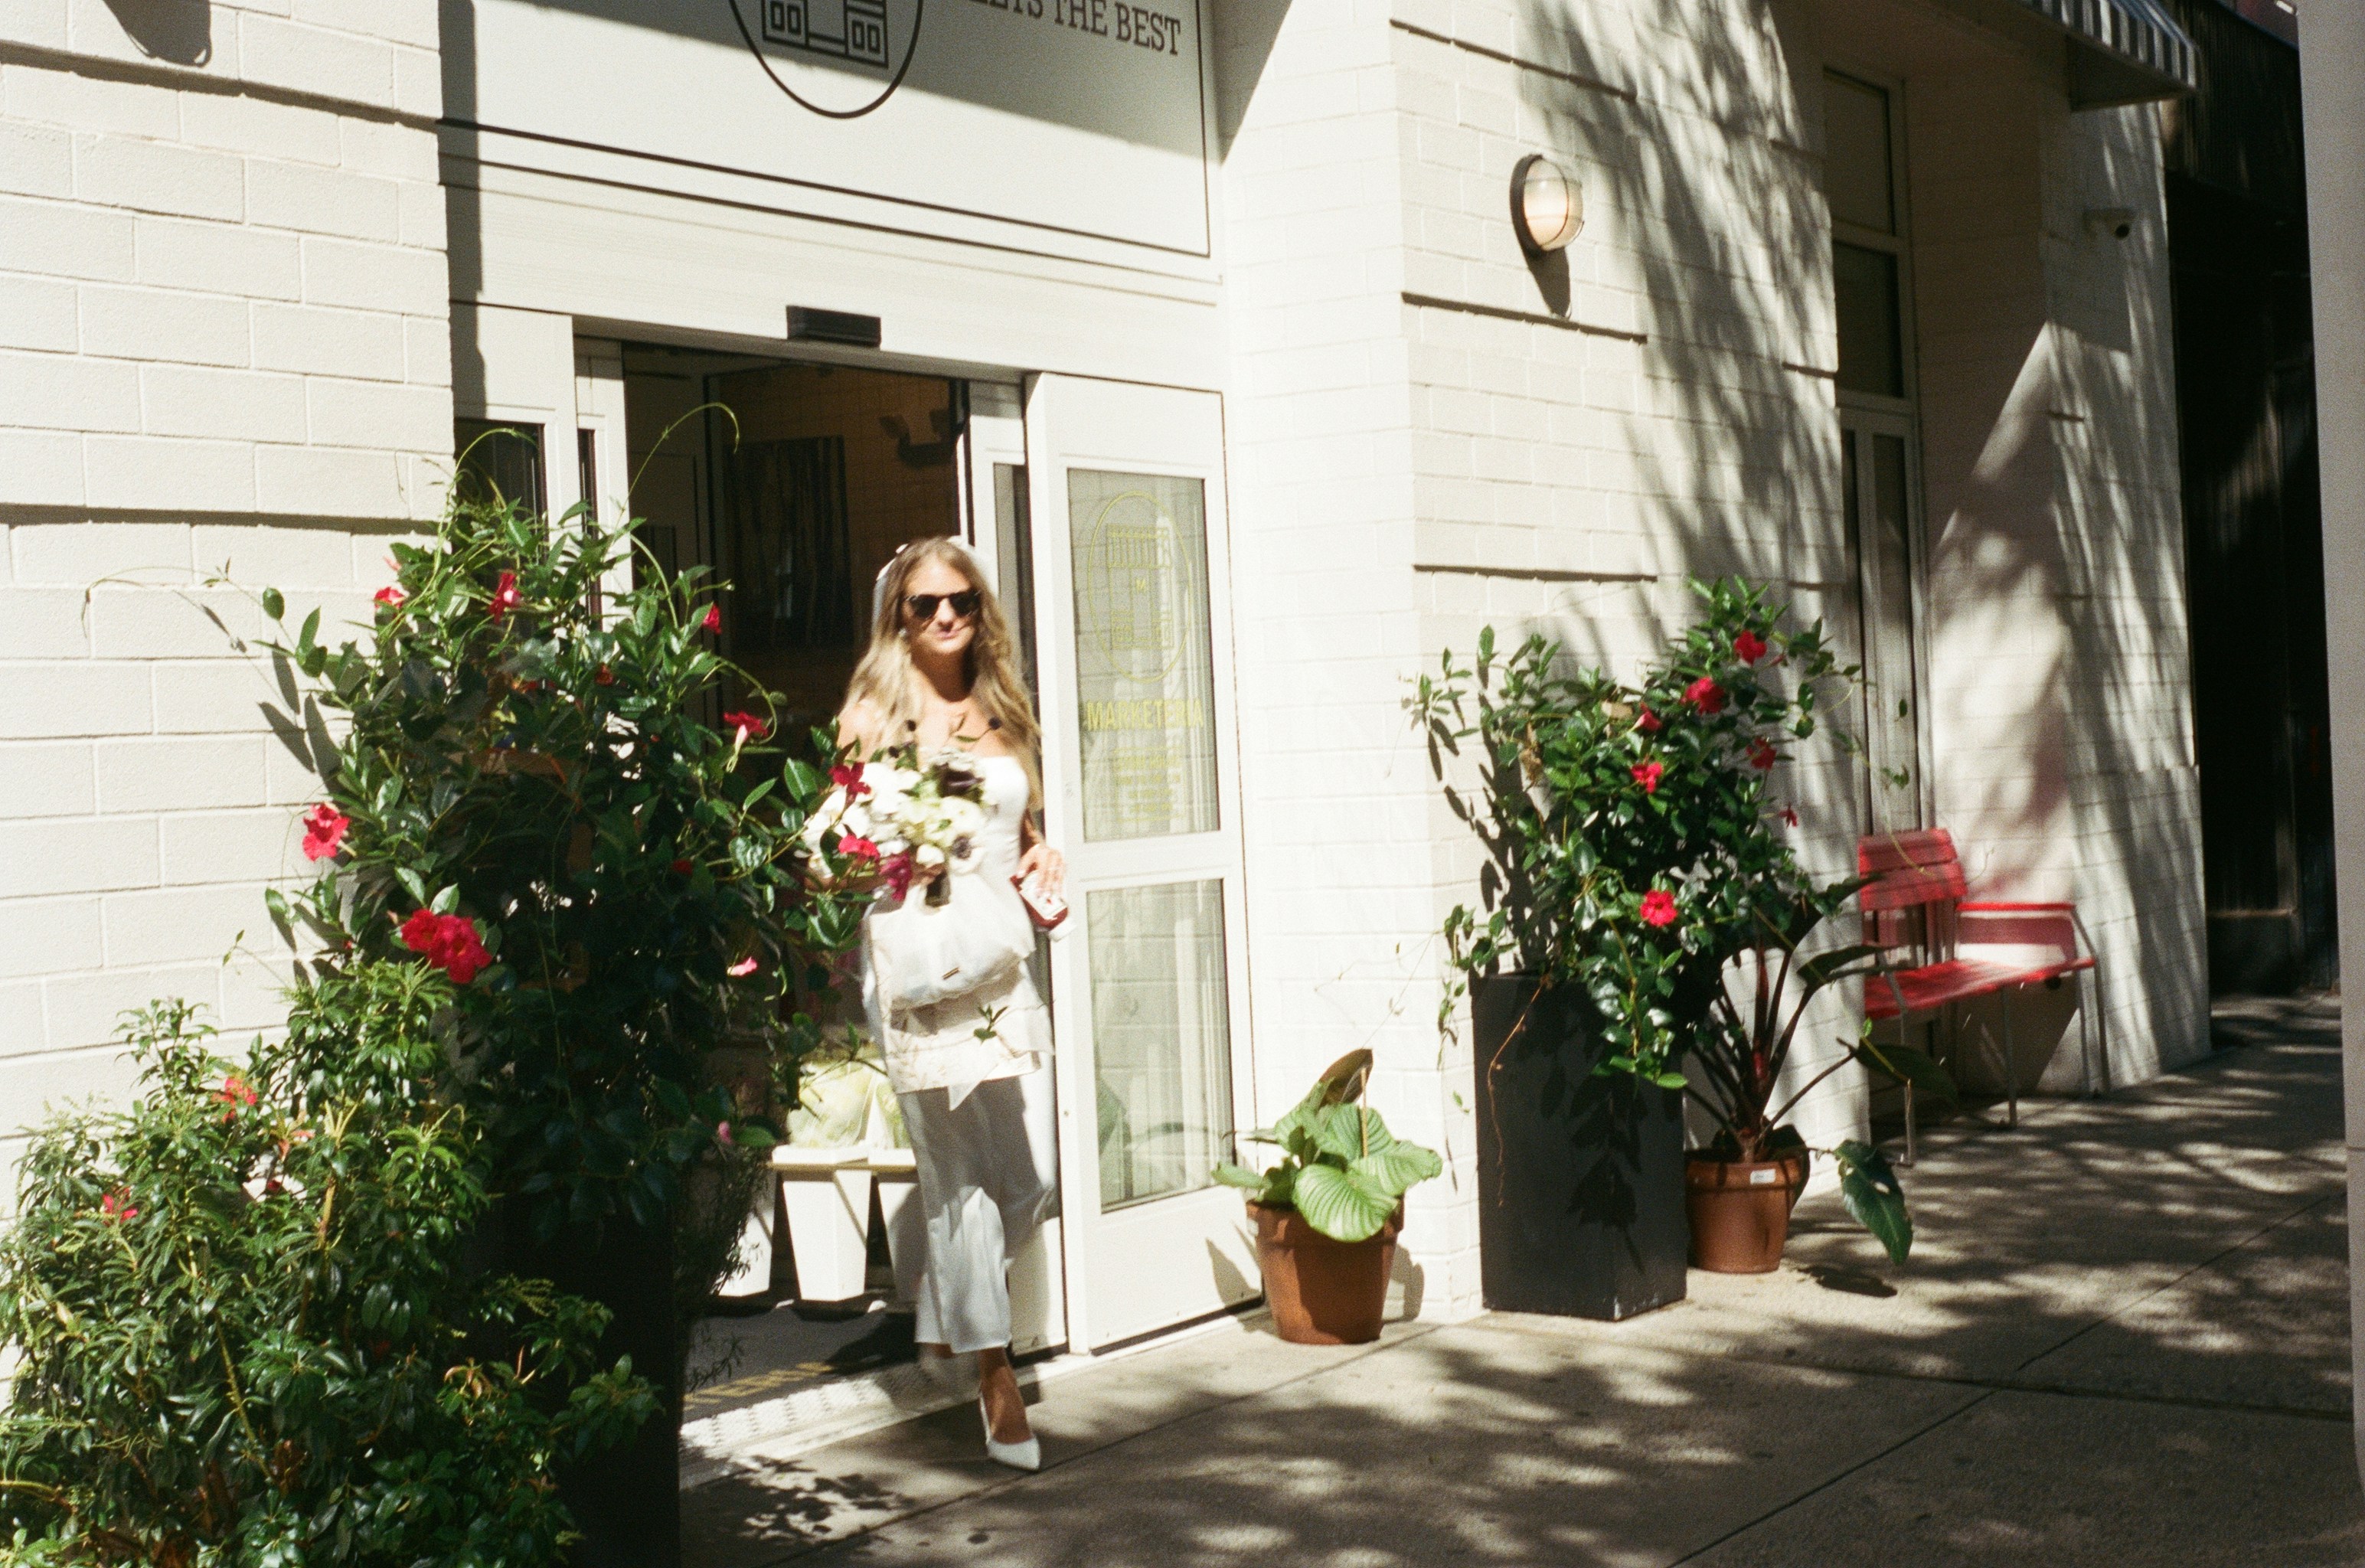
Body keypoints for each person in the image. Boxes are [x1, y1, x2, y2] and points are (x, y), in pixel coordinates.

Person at [838, 537, 1064, 1472]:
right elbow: (841, 841)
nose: (943, 618)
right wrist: (903, 852)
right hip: (920, 965)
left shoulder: (1006, 710)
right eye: (924, 604)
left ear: (981, 610)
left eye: (960, 602)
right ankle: (994, 1375)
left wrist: (1044, 855)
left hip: (1000, 964)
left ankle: (947, 1303)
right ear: (898, 614)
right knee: (957, 1173)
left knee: (1034, 1174)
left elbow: (1029, 828)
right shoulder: (873, 716)